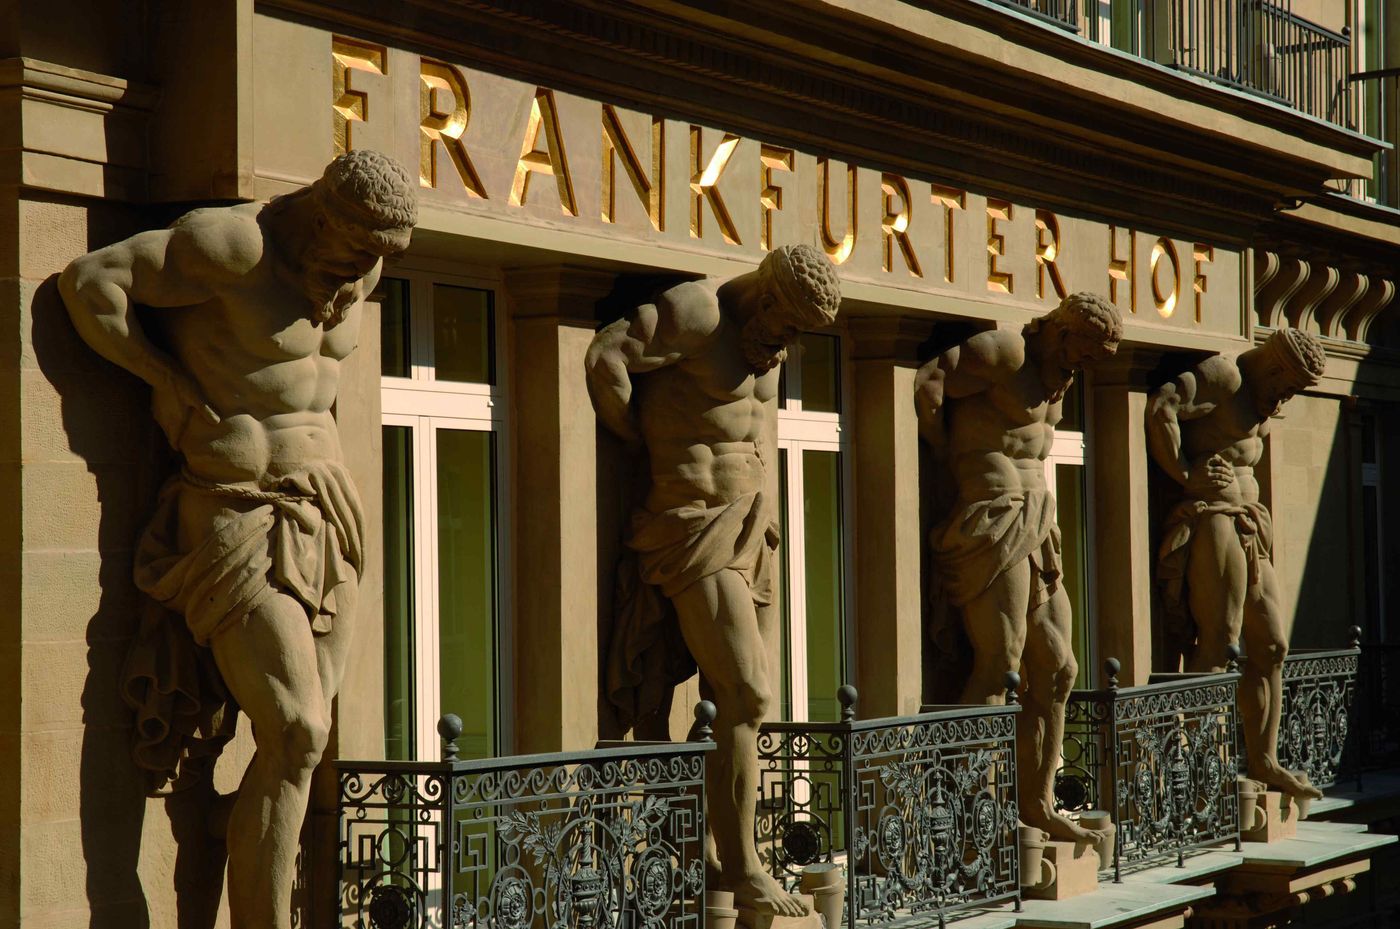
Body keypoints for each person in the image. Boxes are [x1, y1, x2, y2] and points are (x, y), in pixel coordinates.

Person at [59, 150, 417, 929]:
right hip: (237, 507)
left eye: (377, 259)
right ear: (324, 214)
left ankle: (238, 836)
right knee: (297, 729)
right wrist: (164, 377)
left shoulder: (362, 266)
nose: (362, 275)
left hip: (330, 518)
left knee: (304, 748)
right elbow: (90, 284)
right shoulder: (233, 247)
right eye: (356, 251)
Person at [587, 244, 841, 917]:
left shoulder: (764, 347)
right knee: (748, 691)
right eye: (784, 324)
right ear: (762, 297)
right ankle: (745, 865)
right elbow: (607, 357)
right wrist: (641, 446)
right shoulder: (698, 314)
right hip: (691, 527)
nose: (787, 343)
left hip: (751, 530)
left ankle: (703, 849)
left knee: (733, 699)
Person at [914, 292, 1121, 843]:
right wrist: (946, 457)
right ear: (1062, 331)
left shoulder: (1059, 378)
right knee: (999, 663)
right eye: (1085, 349)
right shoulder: (1007, 352)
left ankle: (1037, 803)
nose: (1087, 364)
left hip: (1038, 524)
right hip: (992, 517)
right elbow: (931, 380)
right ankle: (955, 809)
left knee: (1060, 669)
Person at [1147, 327, 1327, 801]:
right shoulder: (1225, 376)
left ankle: (1264, 760)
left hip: (1251, 524)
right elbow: (1163, 404)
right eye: (1284, 385)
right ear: (1271, 366)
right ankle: (1201, 769)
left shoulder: (1264, 403)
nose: (1284, 398)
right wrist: (1185, 471)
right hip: (1214, 520)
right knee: (1219, 642)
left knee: (1271, 646)